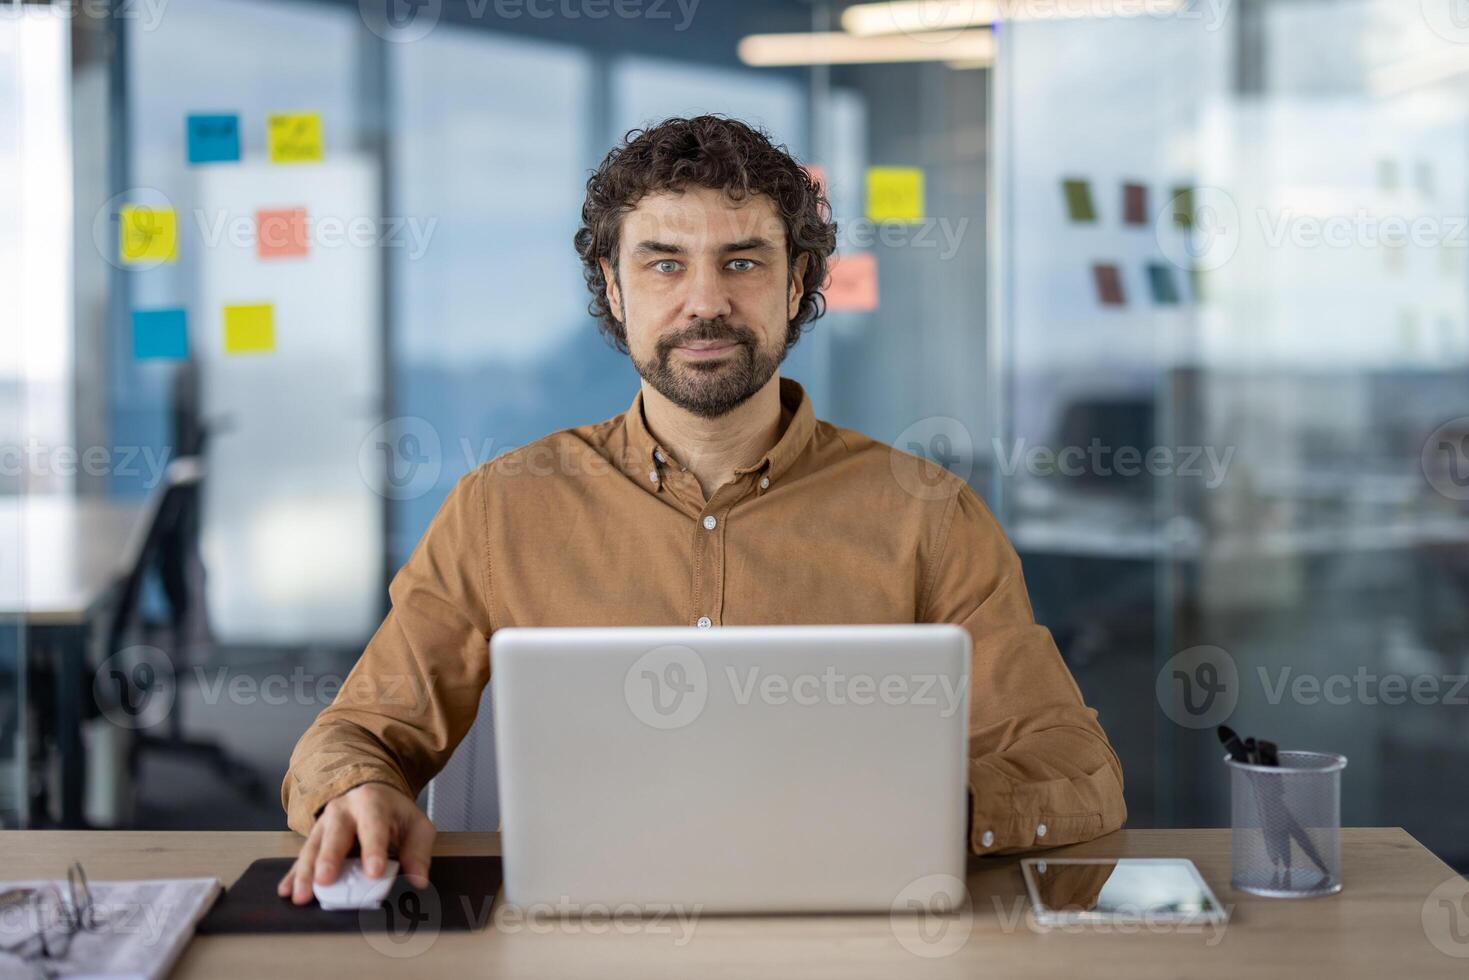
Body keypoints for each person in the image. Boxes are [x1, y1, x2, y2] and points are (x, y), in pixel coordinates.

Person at [278, 115, 1126, 905]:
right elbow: (359, 730)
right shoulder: (501, 509)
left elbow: (1077, 771)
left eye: (743, 260)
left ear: (796, 283)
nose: (705, 301)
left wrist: (925, 809)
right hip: (577, 934)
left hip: (854, 931)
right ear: (613, 289)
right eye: (663, 262)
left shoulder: (927, 515)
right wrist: (357, 790)